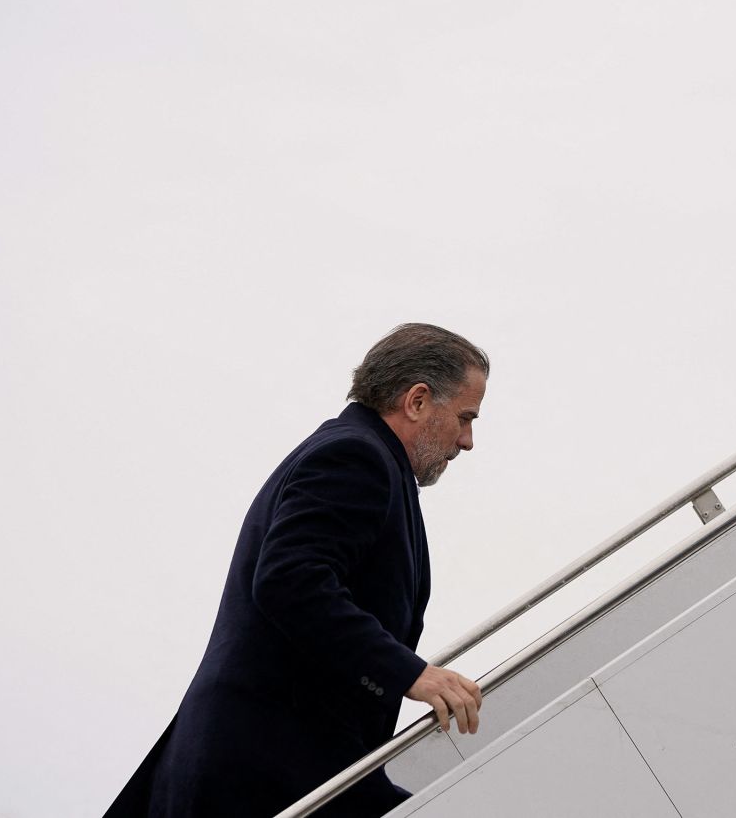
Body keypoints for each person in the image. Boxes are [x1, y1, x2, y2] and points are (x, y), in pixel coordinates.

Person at [105, 323, 489, 817]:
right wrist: (411, 674)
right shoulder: (356, 457)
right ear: (416, 401)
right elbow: (292, 581)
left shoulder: (364, 458)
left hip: (286, 763)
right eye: (464, 417)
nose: (468, 440)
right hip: (265, 768)